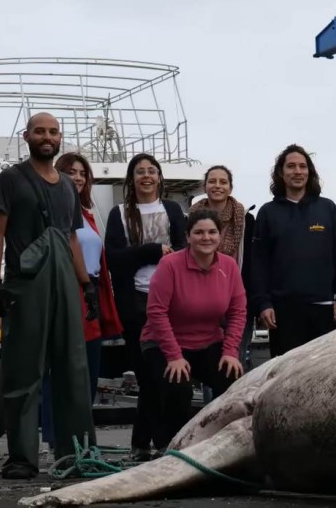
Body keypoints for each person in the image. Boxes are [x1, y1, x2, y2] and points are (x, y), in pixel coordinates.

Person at [0, 112, 97, 479]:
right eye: (40, 131)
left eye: (52, 131)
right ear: (27, 135)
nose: (46, 137)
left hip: (65, 282)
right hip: (26, 283)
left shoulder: (67, 185)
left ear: (59, 137)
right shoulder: (11, 179)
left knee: (73, 370)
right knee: (22, 372)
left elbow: (71, 238)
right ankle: (21, 457)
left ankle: (76, 453)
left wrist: (86, 285)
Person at [140, 209, 246, 454]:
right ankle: (173, 447)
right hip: (163, 342)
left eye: (212, 232)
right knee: (179, 385)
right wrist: (175, 356)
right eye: (198, 232)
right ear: (188, 236)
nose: (205, 237)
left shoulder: (229, 266)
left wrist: (230, 351)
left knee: (233, 378)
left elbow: (238, 311)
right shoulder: (170, 265)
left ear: (219, 236)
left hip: (207, 340)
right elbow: (156, 312)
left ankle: (223, 443)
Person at [105, 153, 187, 462]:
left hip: (171, 301)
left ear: (160, 178)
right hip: (136, 302)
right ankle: (154, 442)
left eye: (152, 171)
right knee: (148, 374)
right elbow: (114, 259)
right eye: (140, 172)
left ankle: (148, 441)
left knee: (169, 374)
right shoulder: (119, 214)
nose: (146, 176)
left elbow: (184, 251)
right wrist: (151, 251)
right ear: (131, 179)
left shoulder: (173, 210)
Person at [40, 153, 124, 452]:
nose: (77, 177)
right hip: (64, 292)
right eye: (71, 172)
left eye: (82, 173)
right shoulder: (50, 210)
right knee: (61, 371)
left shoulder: (87, 213)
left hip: (91, 293)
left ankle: (83, 439)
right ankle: (57, 441)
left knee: (88, 369)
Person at [251, 145, 336, 357]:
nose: (297, 171)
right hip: (282, 312)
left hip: (323, 309)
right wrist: (263, 303)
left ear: (310, 172)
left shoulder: (328, 209)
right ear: (281, 172)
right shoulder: (268, 213)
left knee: (323, 373)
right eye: (291, 166)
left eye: (302, 166)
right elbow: (258, 264)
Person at [189, 165, 254, 365]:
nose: (217, 186)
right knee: (208, 363)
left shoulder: (246, 220)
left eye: (223, 182)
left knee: (235, 359)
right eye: (212, 181)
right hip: (202, 301)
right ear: (205, 186)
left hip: (236, 299)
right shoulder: (191, 218)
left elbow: (252, 262)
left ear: (230, 188)